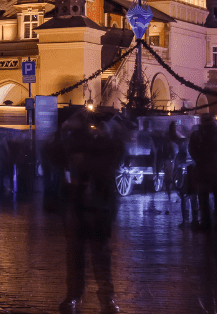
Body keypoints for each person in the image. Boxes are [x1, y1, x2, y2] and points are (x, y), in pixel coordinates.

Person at [56, 115, 124, 314]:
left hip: (98, 209)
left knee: (99, 254)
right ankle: (74, 296)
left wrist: (83, 160)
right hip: (78, 207)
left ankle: (106, 298)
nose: (98, 130)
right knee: (76, 254)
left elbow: (106, 163)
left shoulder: (108, 146)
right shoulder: (76, 142)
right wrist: (62, 132)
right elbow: (56, 155)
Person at [188, 116, 217, 231]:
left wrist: (198, 160)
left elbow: (192, 150)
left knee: (204, 197)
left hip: (204, 170)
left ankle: (206, 223)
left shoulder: (200, 135)